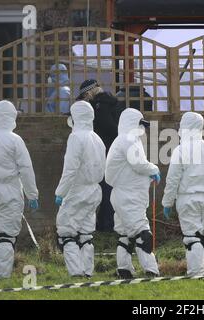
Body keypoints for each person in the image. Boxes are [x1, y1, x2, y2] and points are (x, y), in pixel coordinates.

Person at [0, 100, 39, 279]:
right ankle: (1, 275)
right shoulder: (14, 140)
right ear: (11, 117)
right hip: (9, 191)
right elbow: (26, 168)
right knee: (6, 236)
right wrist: (32, 194)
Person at [162, 112, 204, 276]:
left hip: (187, 198)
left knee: (192, 236)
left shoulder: (180, 150)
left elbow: (172, 179)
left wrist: (167, 202)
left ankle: (196, 272)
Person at [105, 108, 160, 279]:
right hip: (129, 197)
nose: (142, 129)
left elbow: (131, 168)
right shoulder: (128, 140)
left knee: (125, 235)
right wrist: (154, 169)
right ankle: (151, 271)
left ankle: (124, 270)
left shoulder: (124, 140)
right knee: (142, 233)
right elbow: (138, 164)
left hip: (124, 195)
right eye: (140, 124)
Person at [55, 100, 106, 278]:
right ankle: (87, 271)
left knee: (66, 232)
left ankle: (76, 272)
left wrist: (60, 193)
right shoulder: (97, 138)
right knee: (85, 233)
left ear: (75, 117)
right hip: (94, 191)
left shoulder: (76, 138)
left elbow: (70, 169)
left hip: (77, 191)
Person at [77, 79, 125, 232]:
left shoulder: (100, 107)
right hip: (114, 152)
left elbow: (108, 128)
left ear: (88, 93)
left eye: (85, 96)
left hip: (103, 153)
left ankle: (106, 224)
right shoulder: (113, 103)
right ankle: (107, 223)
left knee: (104, 190)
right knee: (109, 188)